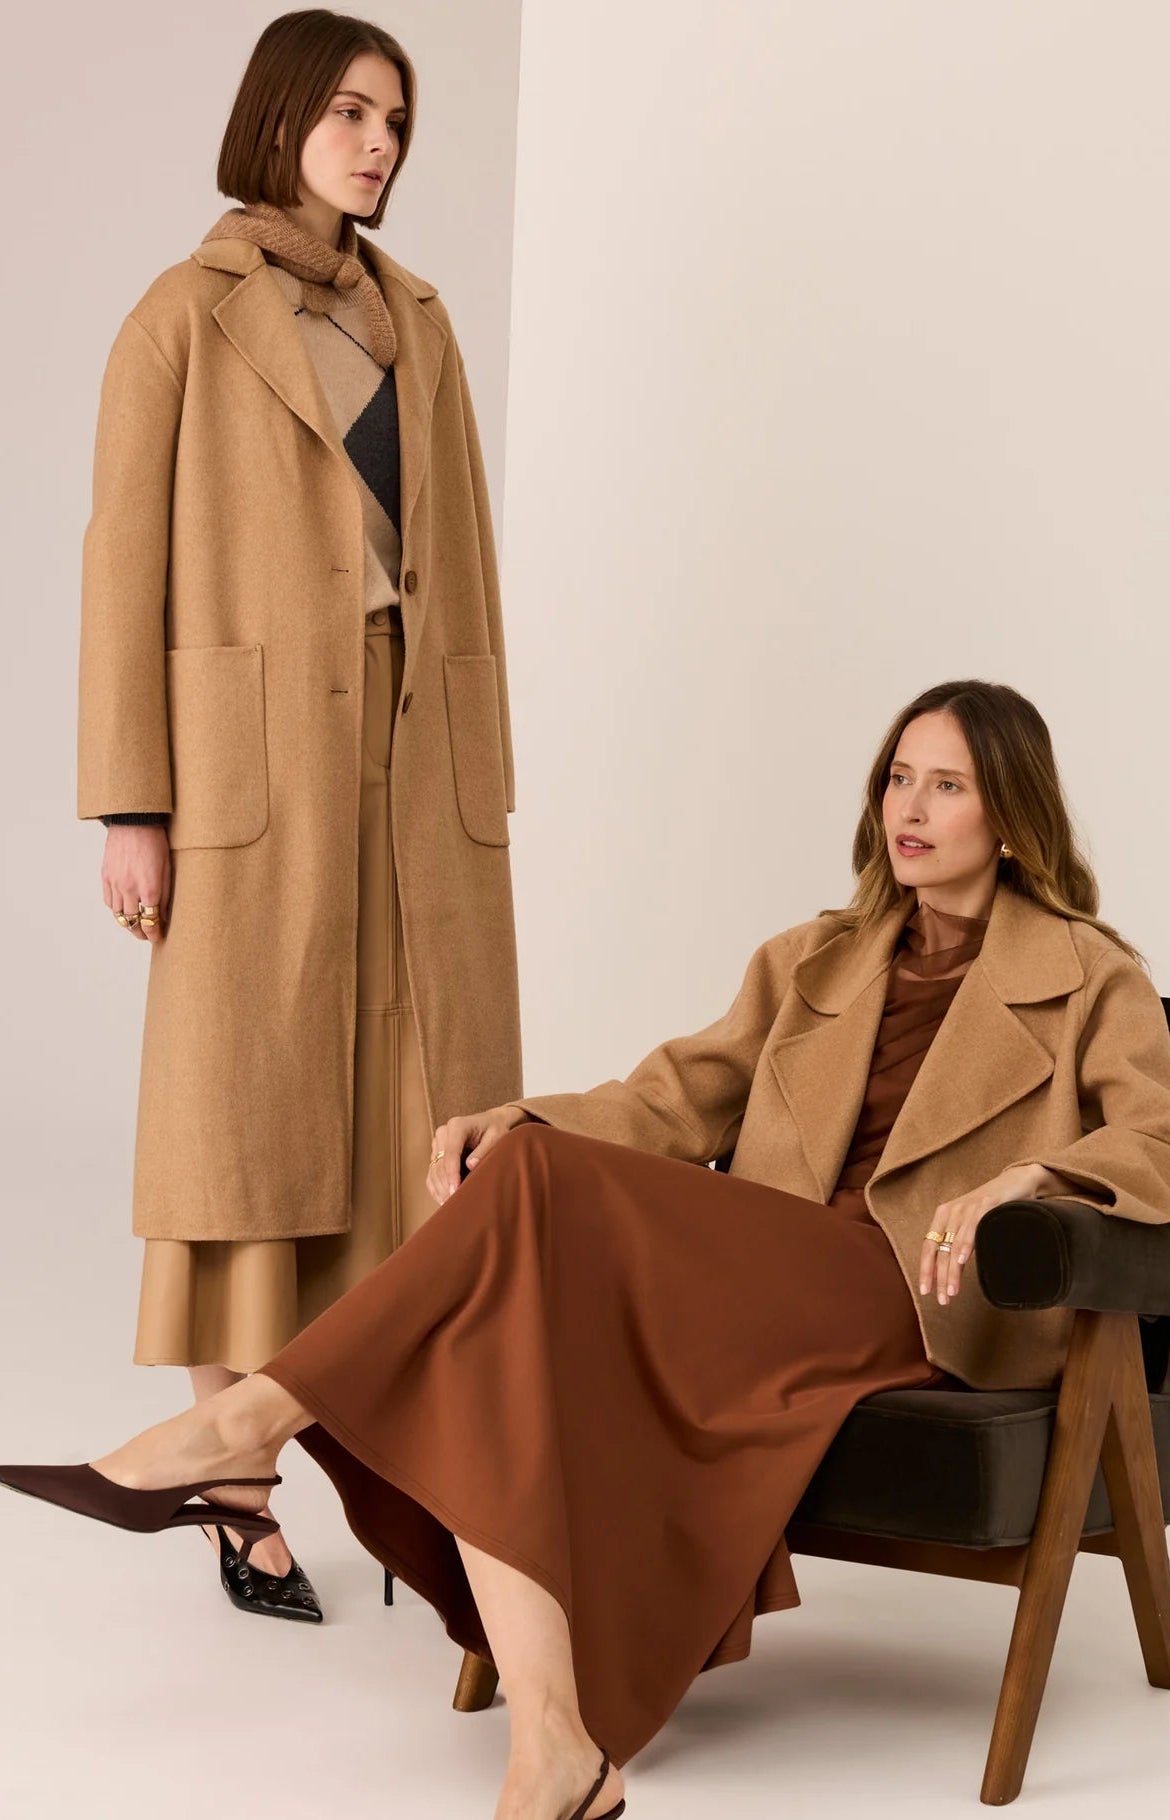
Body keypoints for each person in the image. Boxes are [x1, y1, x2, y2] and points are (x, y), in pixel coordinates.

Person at [8, 680, 1170, 1819]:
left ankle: (240, 1426)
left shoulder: (1089, 973)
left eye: (946, 784)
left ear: (1010, 813)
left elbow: (1164, 1145)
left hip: (906, 1298)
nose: (908, 807)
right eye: (898, 776)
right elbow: (670, 1101)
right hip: (763, 1277)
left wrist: (1031, 1172)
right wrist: (522, 1114)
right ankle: (556, 1751)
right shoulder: (815, 955)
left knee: (521, 1210)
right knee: (501, 1299)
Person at [75, 10, 522, 1618]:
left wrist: (479, 744)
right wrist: (135, 805)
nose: (378, 141)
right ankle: (235, 1468)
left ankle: (434, 1477)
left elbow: (457, 554)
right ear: (278, 118)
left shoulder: (424, 322)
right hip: (251, 773)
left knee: (430, 1119)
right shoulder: (181, 321)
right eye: (347, 110)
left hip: (414, 748)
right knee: (244, 1114)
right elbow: (123, 570)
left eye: (394, 117)